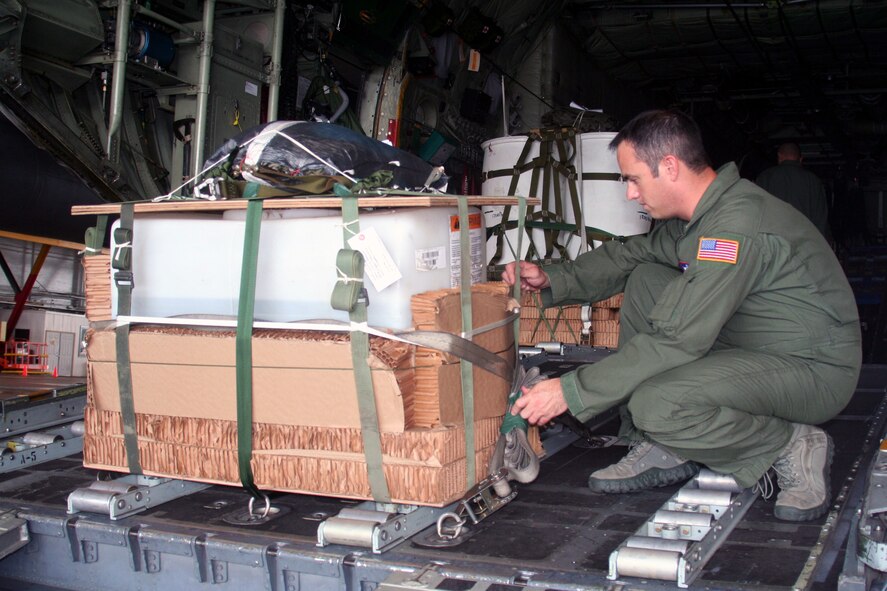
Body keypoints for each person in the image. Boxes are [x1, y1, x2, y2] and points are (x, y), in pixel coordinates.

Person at [502, 110, 861, 522]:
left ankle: (786, 443)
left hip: (812, 369)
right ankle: (655, 441)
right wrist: (552, 276)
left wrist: (569, 391)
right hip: (756, 345)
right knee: (647, 277)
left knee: (659, 403)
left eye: (634, 179)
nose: (630, 195)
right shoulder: (702, 218)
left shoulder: (732, 227)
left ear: (669, 166)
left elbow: (678, 338)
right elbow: (631, 254)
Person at [756, 142, 830, 238]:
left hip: (773, 243)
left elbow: (756, 211)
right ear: (800, 159)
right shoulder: (813, 180)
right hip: (804, 243)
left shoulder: (765, 177)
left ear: (779, 156)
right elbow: (821, 219)